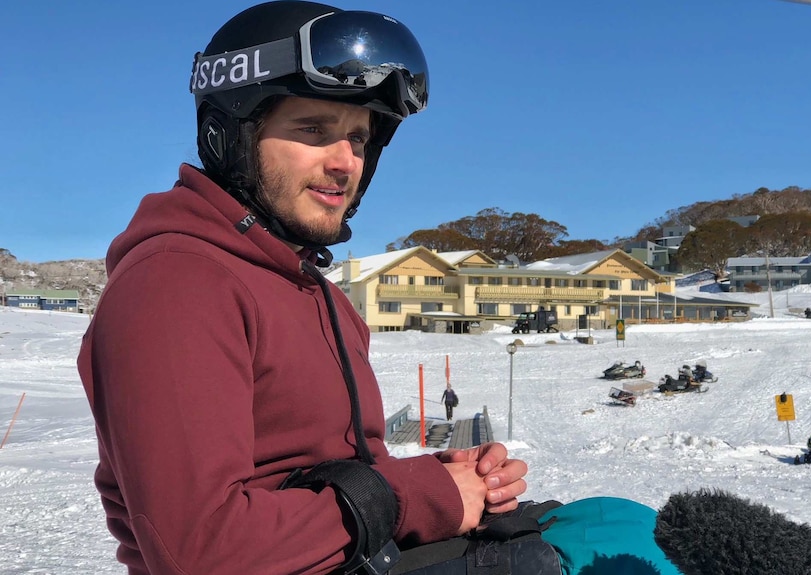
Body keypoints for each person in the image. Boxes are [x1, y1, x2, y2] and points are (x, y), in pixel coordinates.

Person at [76, 3, 527, 574]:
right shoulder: (176, 284)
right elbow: (200, 552)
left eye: (359, 139)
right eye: (313, 129)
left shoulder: (317, 291)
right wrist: (419, 496)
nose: (346, 162)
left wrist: (444, 479)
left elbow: (325, 472)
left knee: (608, 529)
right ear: (229, 136)